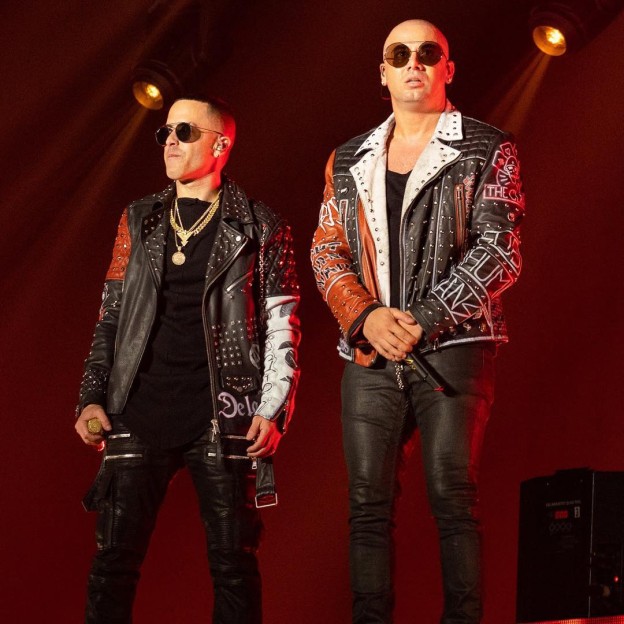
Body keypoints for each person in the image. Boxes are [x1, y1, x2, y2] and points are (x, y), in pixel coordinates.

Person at [311, 19, 524, 624]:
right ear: (382, 72)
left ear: (447, 69)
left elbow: (500, 251)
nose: (414, 62)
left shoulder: (487, 147)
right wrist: (366, 316)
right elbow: (326, 250)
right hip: (371, 352)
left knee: (453, 497)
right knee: (366, 508)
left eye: (428, 53)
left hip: (456, 346)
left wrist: (421, 320)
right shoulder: (347, 158)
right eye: (399, 54)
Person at [75, 95, 300, 624]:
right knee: (112, 564)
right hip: (136, 406)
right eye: (165, 133)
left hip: (223, 411)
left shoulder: (260, 225)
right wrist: (91, 396)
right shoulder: (139, 219)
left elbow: (283, 326)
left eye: (185, 132)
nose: (170, 142)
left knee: (233, 564)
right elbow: (111, 316)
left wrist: (274, 408)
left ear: (220, 145)